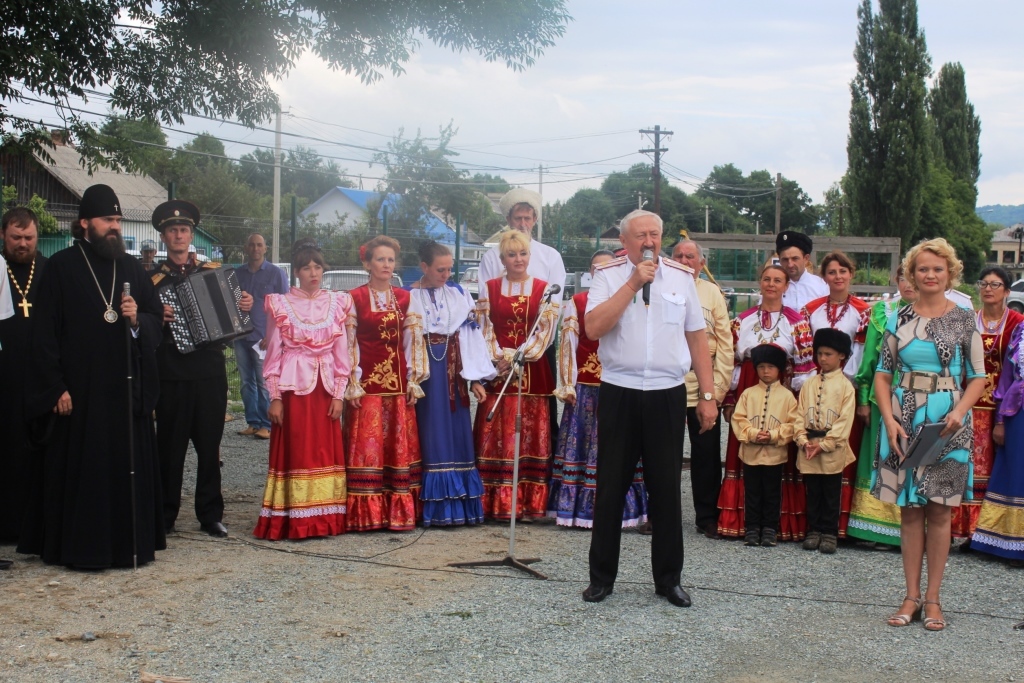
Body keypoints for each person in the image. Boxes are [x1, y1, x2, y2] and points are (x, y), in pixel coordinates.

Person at [18, 184, 165, 568]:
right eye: (108, 220)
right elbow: (43, 337)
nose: (115, 227)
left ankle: (126, 545)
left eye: (118, 220)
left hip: (123, 393)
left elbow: (155, 321)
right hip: (78, 396)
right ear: (85, 223)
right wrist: (55, 387)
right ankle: (82, 548)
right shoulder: (61, 267)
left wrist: (136, 320)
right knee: (84, 472)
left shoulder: (132, 267)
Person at [581, 210, 717, 608]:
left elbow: (696, 335)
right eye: (640, 235)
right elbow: (593, 328)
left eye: (654, 234)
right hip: (620, 391)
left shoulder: (680, 276)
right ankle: (601, 578)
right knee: (610, 487)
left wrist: (707, 396)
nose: (649, 241)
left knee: (666, 489)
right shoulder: (608, 275)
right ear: (624, 241)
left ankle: (668, 580)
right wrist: (633, 282)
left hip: (667, 393)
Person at [874, 238, 986, 632]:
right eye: (923, 268)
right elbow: (882, 375)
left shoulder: (965, 318)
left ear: (950, 273)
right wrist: (888, 420)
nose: (930, 275)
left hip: (948, 423)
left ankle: (934, 600)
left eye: (938, 269)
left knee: (939, 511)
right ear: (912, 274)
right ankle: (910, 596)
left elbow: (978, 377)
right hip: (903, 419)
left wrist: (959, 411)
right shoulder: (897, 318)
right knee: (909, 511)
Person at [151, 200, 252, 537]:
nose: (178, 235)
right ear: (164, 237)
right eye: (172, 230)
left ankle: (210, 514)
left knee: (210, 447)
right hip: (171, 372)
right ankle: (165, 514)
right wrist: (156, 316)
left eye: (184, 230)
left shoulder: (214, 271)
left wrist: (244, 304)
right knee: (170, 449)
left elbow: (236, 313)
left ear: (191, 235)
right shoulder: (150, 279)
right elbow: (139, 323)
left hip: (209, 371)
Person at [254, 239, 352, 540]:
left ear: (324, 270)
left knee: (323, 451)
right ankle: (294, 518)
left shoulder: (337, 303)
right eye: (306, 267)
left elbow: (341, 353)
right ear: (296, 272)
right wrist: (275, 398)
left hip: (323, 389)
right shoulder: (281, 304)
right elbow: (272, 355)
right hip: (293, 390)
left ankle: (324, 518)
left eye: (317, 266)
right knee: (297, 450)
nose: (313, 272)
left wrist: (338, 394)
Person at [548, 250, 648, 529]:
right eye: (596, 268)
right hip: (587, 388)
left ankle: (621, 508)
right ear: (590, 273)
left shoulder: (632, 299)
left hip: (622, 385)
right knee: (582, 447)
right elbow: (567, 346)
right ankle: (577, 508)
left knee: (621, 448)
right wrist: (567, 384)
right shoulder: (577, 302)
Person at [718, 264, 815, 540]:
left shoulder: (798, 322)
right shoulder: (742, 320)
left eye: (778, 280)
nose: (771, 284)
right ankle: (745, 523)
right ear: (760, 283)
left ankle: (774, 525)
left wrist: (798, 407)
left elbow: (804, 367)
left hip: (784, 392)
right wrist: (729, 398)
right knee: (745, 446)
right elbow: (732, 362)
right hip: (749, 385)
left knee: (779, 452)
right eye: (766, 279)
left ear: (786, 286)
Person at [344, 235, 428, 531]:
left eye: (390, 260)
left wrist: (413, 379)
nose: (386, 265)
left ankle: (397, 511)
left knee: (396, 448)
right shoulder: (353, 298)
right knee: (367, 447)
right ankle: (365, 513)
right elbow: (349, 342)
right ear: (367, 263)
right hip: (366, 385)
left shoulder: (405, 298)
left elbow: (412, 342)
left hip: (396, 386)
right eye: (380, 259)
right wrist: (352, 381)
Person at [408, 241, 494, 527]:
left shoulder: (458, 293)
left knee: (457, 433)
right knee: (432, 432)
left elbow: (471, 335)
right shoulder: (410, 296)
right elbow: (407, 341)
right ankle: (433, 508)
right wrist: (411, 377)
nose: (446, 274)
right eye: (440, 269)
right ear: (424, 267)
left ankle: (460, 506)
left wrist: (475, 379)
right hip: (426, 372)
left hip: (454, 369)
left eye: (449, 268)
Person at [474, 230, 559, 520]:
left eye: (522, 254)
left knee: (529, 433)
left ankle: (529, 503)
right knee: (496, 431)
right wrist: (500, 357)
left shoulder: (544, 289)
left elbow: (545, 332)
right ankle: (493, 502)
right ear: (503, 259)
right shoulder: (488, 288)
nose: (518, 259)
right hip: (498, 371)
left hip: (532, 371)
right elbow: (483, 328)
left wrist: (521, 356)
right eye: (512, 255)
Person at [801, 250, 871, 539]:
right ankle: (815, 525)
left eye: (843, 271)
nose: (838, 277)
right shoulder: (811, 309)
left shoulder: (864, 310)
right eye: (832, 272)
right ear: (824, 276)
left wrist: (851, 384)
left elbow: (865, 352)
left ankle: (839, 527)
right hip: (816, 384)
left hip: (847, 387)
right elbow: (805, 351)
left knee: (841, 453)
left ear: (851, 274)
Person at [952, 266, 1024, 543]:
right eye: (983, 283)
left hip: (1003, 407)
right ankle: (962, 529)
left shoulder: (1018, 323)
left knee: (996, 467)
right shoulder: (969, 320)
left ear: (1007, 291)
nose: (988, 289)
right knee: (965, 465)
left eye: (995, 284)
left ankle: (989, 532)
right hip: (967, 403)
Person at [848, 266, 917, 547]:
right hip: (883, 398)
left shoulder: (939, 313)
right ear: (895, 280)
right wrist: (863, 398)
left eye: (913, 278)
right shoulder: (882, 313)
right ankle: (873, 528)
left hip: (920, 398)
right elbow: (869, 361)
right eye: (903, 278)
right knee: (881, 457)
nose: (908, 284)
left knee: (913, 460)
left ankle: (910, 529)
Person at [671, 239, 733, 538]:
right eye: (679, 255)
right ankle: (660, 514)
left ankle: (707, 516)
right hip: (667, 383)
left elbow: (724, 344)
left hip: (703, 386)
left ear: (700, 261)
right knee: (663, 454)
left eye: (690, 256)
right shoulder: (658, 286)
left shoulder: (712, 293)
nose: (684, 260)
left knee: (706, 455)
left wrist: (716, 392)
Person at [0, 208, 47, 551]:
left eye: (28, 238)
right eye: (16, 238)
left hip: (42, 375)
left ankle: (39, 525)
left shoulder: (48, 270)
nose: (22, 244)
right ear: (4, 235)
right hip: (6, 376)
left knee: (40, 451)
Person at [795, 328, 856, 554]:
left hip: (831, 449)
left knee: (831, 493)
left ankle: (830, 533)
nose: (822, 359)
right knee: (813, 491)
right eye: (820, 353)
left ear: (841, 356)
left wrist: (825, 444)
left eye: (828, 354)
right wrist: (803, 440)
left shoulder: (845, 387)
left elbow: (844, 421)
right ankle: (814, 530)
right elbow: (798, 414)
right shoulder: (809, 385)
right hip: (809, 446)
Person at [730, 343, 798, 548]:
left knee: (771, 491)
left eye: (770, 367)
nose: (765, 371)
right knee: (752, 491)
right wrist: (752, 433)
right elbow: (738, 419)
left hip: (775, 454)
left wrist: (774, 435)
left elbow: (793, 423)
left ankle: (769, 529)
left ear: (779, 369)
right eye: (761, 367)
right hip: (751, 453)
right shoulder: (748, 394)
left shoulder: (787, 396)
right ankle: (752, 528)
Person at [972, 323, 1024, 564]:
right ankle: (1009, 542)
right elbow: (1006, 379)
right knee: (1015, 473)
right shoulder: (1021, 330)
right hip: (1018, 412)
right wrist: (1001, 419)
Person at [233, 233, 289, 440]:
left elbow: (284, 307)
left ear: (265, 248)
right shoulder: (237, 274)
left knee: (264, 381)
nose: (255, 248)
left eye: (259, 245)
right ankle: (253, 422)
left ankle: (267, 424)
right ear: (245, 248)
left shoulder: (276, 274)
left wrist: (273, 335)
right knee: (246, 381)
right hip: (241, 335)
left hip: (263, 338)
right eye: (251, 245)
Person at [478, 188, 566, 291]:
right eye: (518, 218)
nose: (523, 224)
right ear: (508, 220)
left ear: (534, 219)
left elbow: (554, 300)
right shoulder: (491, 257)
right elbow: (485, 296)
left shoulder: (551, 256)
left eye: (527, 218)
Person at [776, 230, 828, 311]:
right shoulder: (773, 287)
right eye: (785, 259)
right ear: (779, 260)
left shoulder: (821, 286)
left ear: (806, 258)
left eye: (795, 259)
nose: (790, 264)